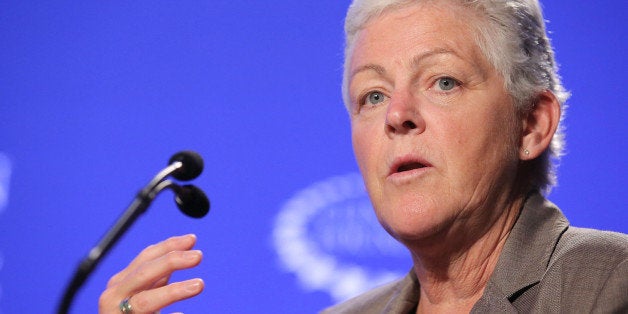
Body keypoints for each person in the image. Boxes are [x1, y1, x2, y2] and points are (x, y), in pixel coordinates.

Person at [99, 0, 628, 313]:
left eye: (443, 81)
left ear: (531, 124)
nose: (397, 115)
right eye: (372, 95)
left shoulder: (609, 286)